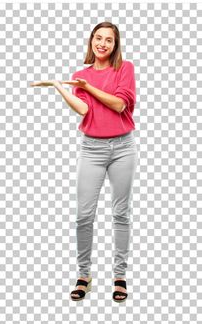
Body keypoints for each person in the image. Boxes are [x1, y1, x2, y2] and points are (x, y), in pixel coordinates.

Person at [30, 21, 138, 303]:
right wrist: (58, 86)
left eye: (109, 40)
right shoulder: (80, 75)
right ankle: (83, 275)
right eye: (98, 38)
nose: (102, 43)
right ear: (91, 41)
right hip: (91, 148)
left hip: (123, 146)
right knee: (84, 215)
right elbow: (82, 110)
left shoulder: (124, 68)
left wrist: (88, 87)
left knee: (121, 213)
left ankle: (119, 276)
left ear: (115, 45)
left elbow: (119, 105)